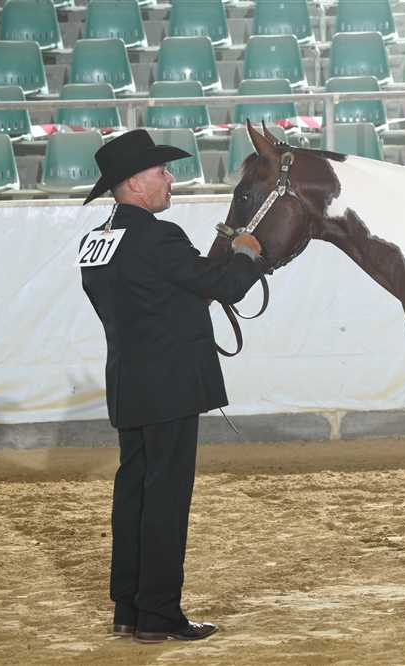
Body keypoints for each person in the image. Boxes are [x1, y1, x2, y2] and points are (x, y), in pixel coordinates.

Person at [79, 130, 262, 643]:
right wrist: (246, 252)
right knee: (165, 501)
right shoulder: (160, 236)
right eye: (161, 172)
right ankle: (159, 614)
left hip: (129, 383)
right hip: (171, 386)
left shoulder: (96, 241)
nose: (170, 179)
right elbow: (224, 286)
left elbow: (148, 297)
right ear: (135, 183)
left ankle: (128, 608)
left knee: (134, 494)